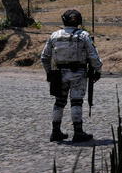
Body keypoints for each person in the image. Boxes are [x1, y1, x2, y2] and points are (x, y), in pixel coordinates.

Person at [40, 9, 103, 142]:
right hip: (78, 73)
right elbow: (93, 56)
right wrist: (98, 71)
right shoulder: (84, 36)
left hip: (59, 74)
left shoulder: (54, 35)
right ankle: (78, 132)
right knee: (76, 102)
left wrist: (49, 73)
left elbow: (44, 57)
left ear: (63, 20)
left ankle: (55, 131)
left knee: (59, 102)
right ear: (79, 21)